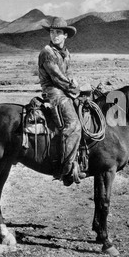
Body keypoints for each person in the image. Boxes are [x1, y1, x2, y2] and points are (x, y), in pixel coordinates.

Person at [38, 17, 85, 186]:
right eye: (52, 32)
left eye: (58, 32)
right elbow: (57, 78)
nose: (55, 35)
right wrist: (75, 89)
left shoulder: (65, 52)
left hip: (64, 89)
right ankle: (66, 168)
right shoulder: (47, 52)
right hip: (53, 92)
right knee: (73, 125)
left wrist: (75, 84)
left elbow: (65, 74)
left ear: (65, 35)